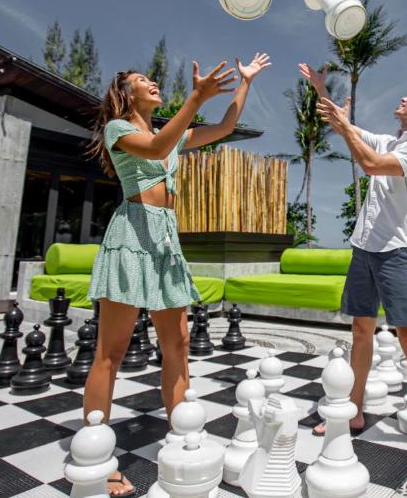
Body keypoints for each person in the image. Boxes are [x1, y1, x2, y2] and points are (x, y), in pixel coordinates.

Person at [83, 54, 271, 496]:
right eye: (141, 79)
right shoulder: (118, 129)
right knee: (111, 352)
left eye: (151, 78)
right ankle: (96, 460)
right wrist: (196, 98)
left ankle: (182, 438)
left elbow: (224, 127)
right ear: (125, 94)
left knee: (179, 345)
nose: (152, 82)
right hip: (132, 236)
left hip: (166, 242)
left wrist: (245, 82)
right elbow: (154, 150)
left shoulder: (170, 133)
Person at [299, 62, 407, 466]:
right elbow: (341, 124)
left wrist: (347, 127)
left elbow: (369, 164)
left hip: (398, 251)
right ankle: (355, 410)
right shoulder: (389, 140)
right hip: (364, 248)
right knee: (360, 330)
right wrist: (321, 89)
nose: (402, 99)